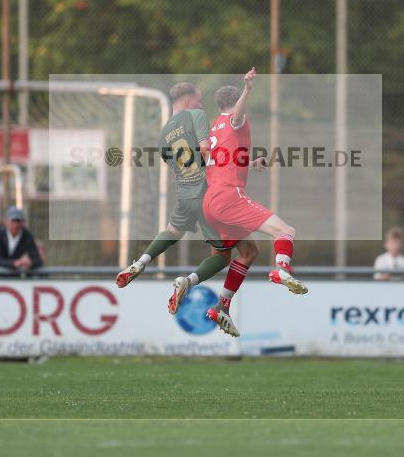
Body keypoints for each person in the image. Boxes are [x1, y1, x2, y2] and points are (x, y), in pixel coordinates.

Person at [115, 81, 255, 317]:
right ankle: (191, 284)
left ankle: (140, 262)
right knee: (233, 255)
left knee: (172, 231)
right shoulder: (196, 115)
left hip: (184, 193)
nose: (201, 105)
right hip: (208, 193)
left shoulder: (163, 134)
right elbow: (205, 151)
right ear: (188, 100)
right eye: (199, 100)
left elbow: (174, 166)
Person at [202, 68, 307, 337]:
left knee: (248, 253)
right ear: (235, 101)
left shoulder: (214, 128)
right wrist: (248, 88)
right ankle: (281, 270)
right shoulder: (236, 120)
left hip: (211, 202)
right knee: (286, 231)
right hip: (228, 196)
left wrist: (249, 161)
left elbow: (221, 159)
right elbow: (237, 117)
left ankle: (221, 307)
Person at [0, 206, 43, 273]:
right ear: (6, 222)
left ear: (22, 222)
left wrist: (29, 263)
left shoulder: (27, 236)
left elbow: (37, 259)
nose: (16, 224)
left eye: (18, 221)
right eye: (13, 221)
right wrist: (13, 263)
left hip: (16, 275)